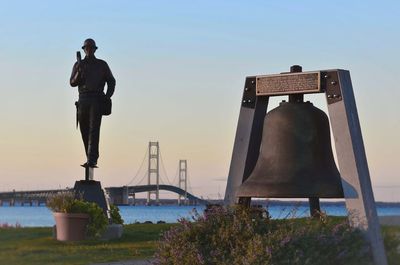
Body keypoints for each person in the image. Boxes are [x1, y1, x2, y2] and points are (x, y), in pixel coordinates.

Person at [70, 38, 115, 168]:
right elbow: (72, 82)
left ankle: (92, 158)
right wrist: (79, 71)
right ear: (84, 50)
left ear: (94, 50)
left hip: (96, 99)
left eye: (91, 48)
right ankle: (89, 156)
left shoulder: (102, 64)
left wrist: (107, 96)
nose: (89, 50)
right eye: (87, 48)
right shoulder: (78, 65)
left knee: (94, 130)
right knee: (84, 130)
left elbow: (111, 81)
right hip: (83, 99)